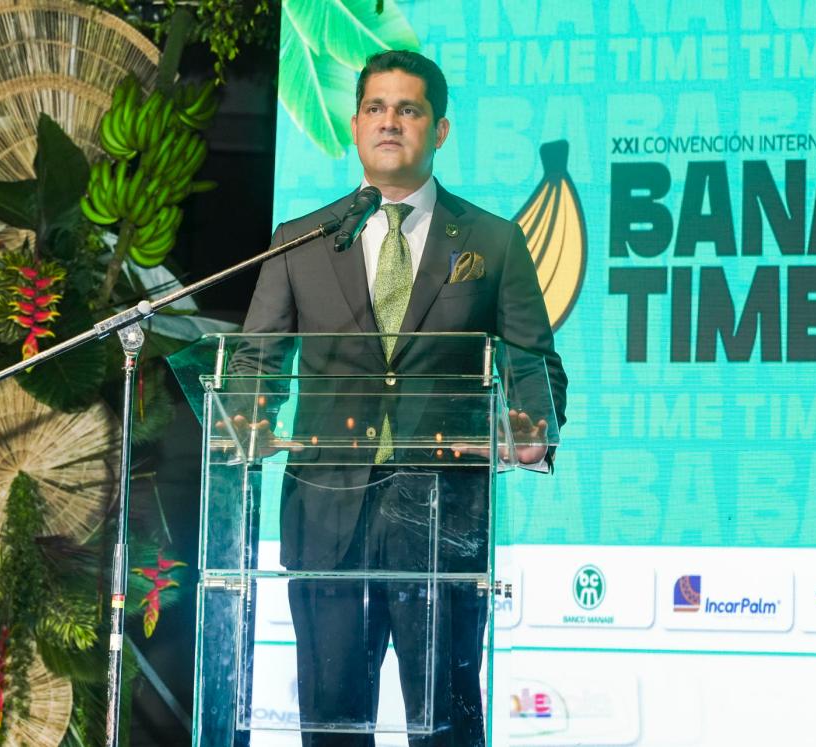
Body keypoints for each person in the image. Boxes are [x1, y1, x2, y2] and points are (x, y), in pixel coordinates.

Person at [239, 49, 567, 746]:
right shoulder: (298, 242)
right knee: (331, 719)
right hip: (327, 518)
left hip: (442, 518)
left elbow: (534, 361)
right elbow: (253, 362)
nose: (391, 121)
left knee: (446, 721)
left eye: (409, 109)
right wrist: (244, 418)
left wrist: (532, 421)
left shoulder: (493, 241)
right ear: (356, 124)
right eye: (376, 108)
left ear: (439, 130)